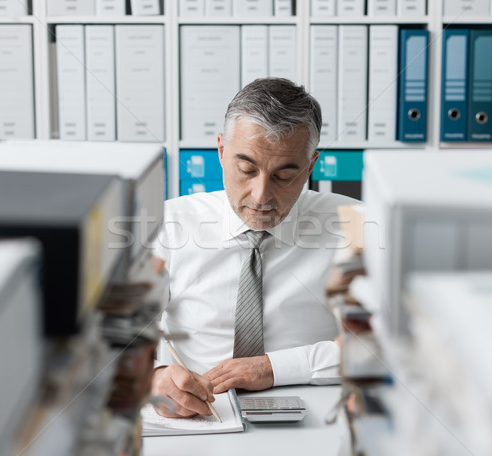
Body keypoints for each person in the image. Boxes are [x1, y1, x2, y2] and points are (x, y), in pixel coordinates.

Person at [151, 77, 358, 418]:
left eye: (284, 176)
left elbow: (386, 346)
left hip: (318, 415)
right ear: (220, 152)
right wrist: (155, 379)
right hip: (202, 417)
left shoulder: (356, 225)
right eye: (246, 169)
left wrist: (274, 368)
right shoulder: (167, 224)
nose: (261, 196)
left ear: (310, 166)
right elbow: (111, 338)